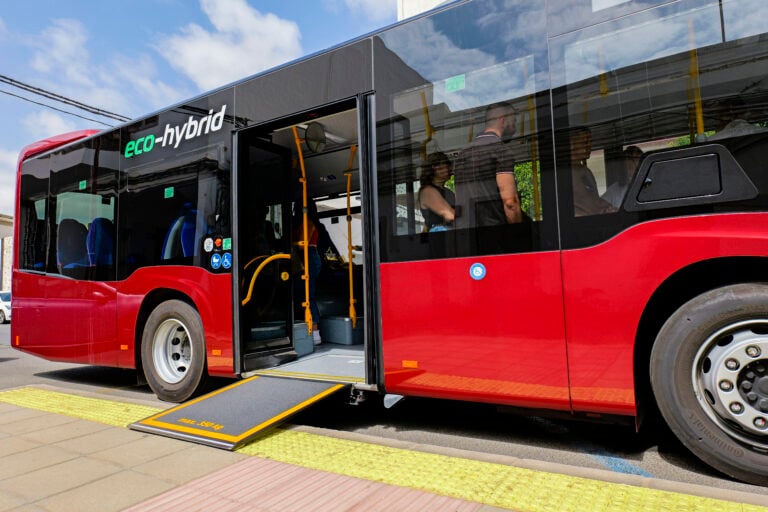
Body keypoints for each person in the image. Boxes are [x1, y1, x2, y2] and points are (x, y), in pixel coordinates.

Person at [453, 102, 522, 229]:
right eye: (513, 121)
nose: (515, 126)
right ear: (503, 120)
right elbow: (510, 203)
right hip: (493, 232)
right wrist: (519, 233)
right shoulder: (500, 150)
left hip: (466, 233)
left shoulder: (462, 153)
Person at [567, 126, 616, 216]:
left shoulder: (586, 171)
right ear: (571, 144)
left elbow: (593, 199)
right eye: (584, 142)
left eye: (590, 142)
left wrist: (607, 206)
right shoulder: (564, 173)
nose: (589, 146)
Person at [292, 199, 323, 344]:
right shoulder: (310, 222)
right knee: (305, 294)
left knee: (307, 295)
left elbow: (302, 244)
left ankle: (315, 331)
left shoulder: (307, 222)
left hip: (307, 257)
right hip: (310, 257)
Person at [418, 152, 455, 231]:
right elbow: (450, 215)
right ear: (433, 169)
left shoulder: (448, 192)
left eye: (447, 165)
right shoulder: (427, 191)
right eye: (444, 165)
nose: (448, 169)